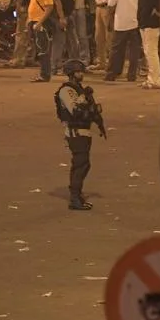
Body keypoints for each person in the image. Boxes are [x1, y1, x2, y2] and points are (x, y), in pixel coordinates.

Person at [54, 59, 106, 211]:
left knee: (84, 164)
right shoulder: (66, 90)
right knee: (80, 164)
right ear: (71, 73)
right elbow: (76, 111)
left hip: (83, 131)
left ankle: (77, 194)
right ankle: (75, 198)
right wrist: (86, 100)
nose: (81, 74)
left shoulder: (78, 89)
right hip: (75, 132)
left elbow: (89, 111)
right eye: (78, 72)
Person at [105, 0, 141, 82]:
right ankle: (132, 75)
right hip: (136, 21)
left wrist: (109, 20)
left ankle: (111, 73)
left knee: (116, 49)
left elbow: (111, 4)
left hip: (121, 21)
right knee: (134, 50)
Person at [50, 0, 80, 75]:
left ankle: (73, 66)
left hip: (69, 13)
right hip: (61, 16)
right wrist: (61, 17)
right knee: (59, 42)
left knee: (73, 42)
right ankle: (54, 67)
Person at [137, 0, 160, 89]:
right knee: (147, 52)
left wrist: (157, 11)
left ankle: (155, 80)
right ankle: (151, 78)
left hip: (152, 23)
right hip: (143, 23)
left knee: (151, 52)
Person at [27, 0, 55, 83]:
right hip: (33, 19)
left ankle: (45, 74)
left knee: (43, 48)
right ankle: (43, 72)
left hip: (41, 21)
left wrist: (40, 22)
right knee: (38, 48)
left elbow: (49, 7)